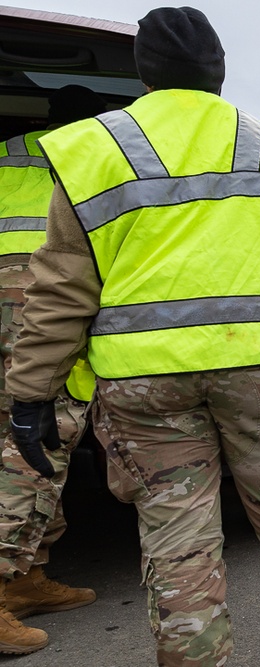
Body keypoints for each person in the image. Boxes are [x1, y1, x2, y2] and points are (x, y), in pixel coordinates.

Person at [4, 8, 260, 666]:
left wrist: (31, 391)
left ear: (146, 73)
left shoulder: (90, 151)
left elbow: (62, 290)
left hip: (145, 381)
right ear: (219, 72)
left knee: (177, 534)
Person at [0, 84, 104, 656]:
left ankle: (27, 579)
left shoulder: (7, 153)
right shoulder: (92, 159)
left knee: (16, 444)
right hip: (46, 321)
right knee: (36, 451)